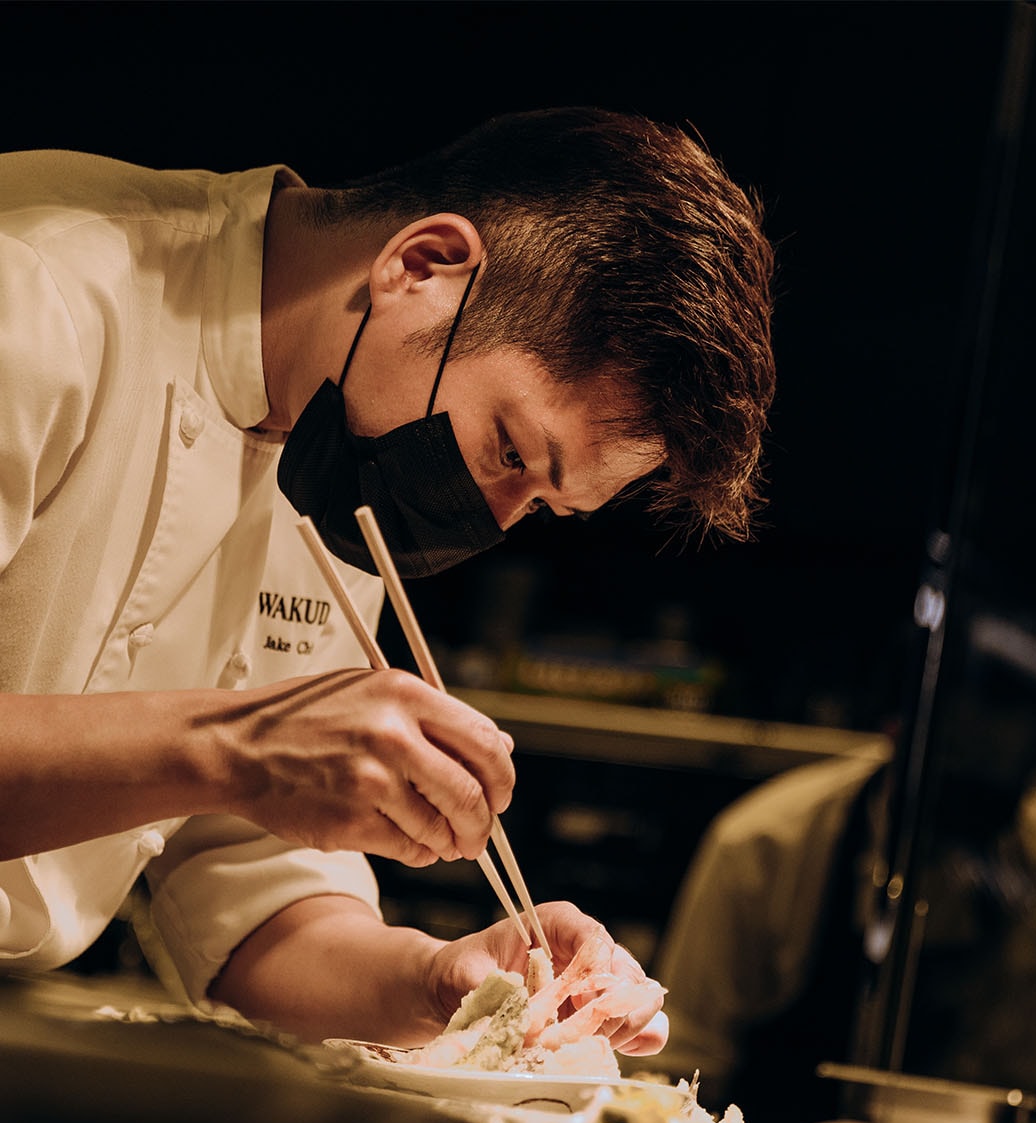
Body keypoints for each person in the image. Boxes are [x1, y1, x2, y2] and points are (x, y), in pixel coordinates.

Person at [0, 107, 775, 1054]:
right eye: (509, 449)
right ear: (421, 266)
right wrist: (231, 747)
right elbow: (226, 763)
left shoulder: (341, 459)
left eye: (537, 505)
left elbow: (250, 894)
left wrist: (445, 983)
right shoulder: (35, 292)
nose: (490, 518)